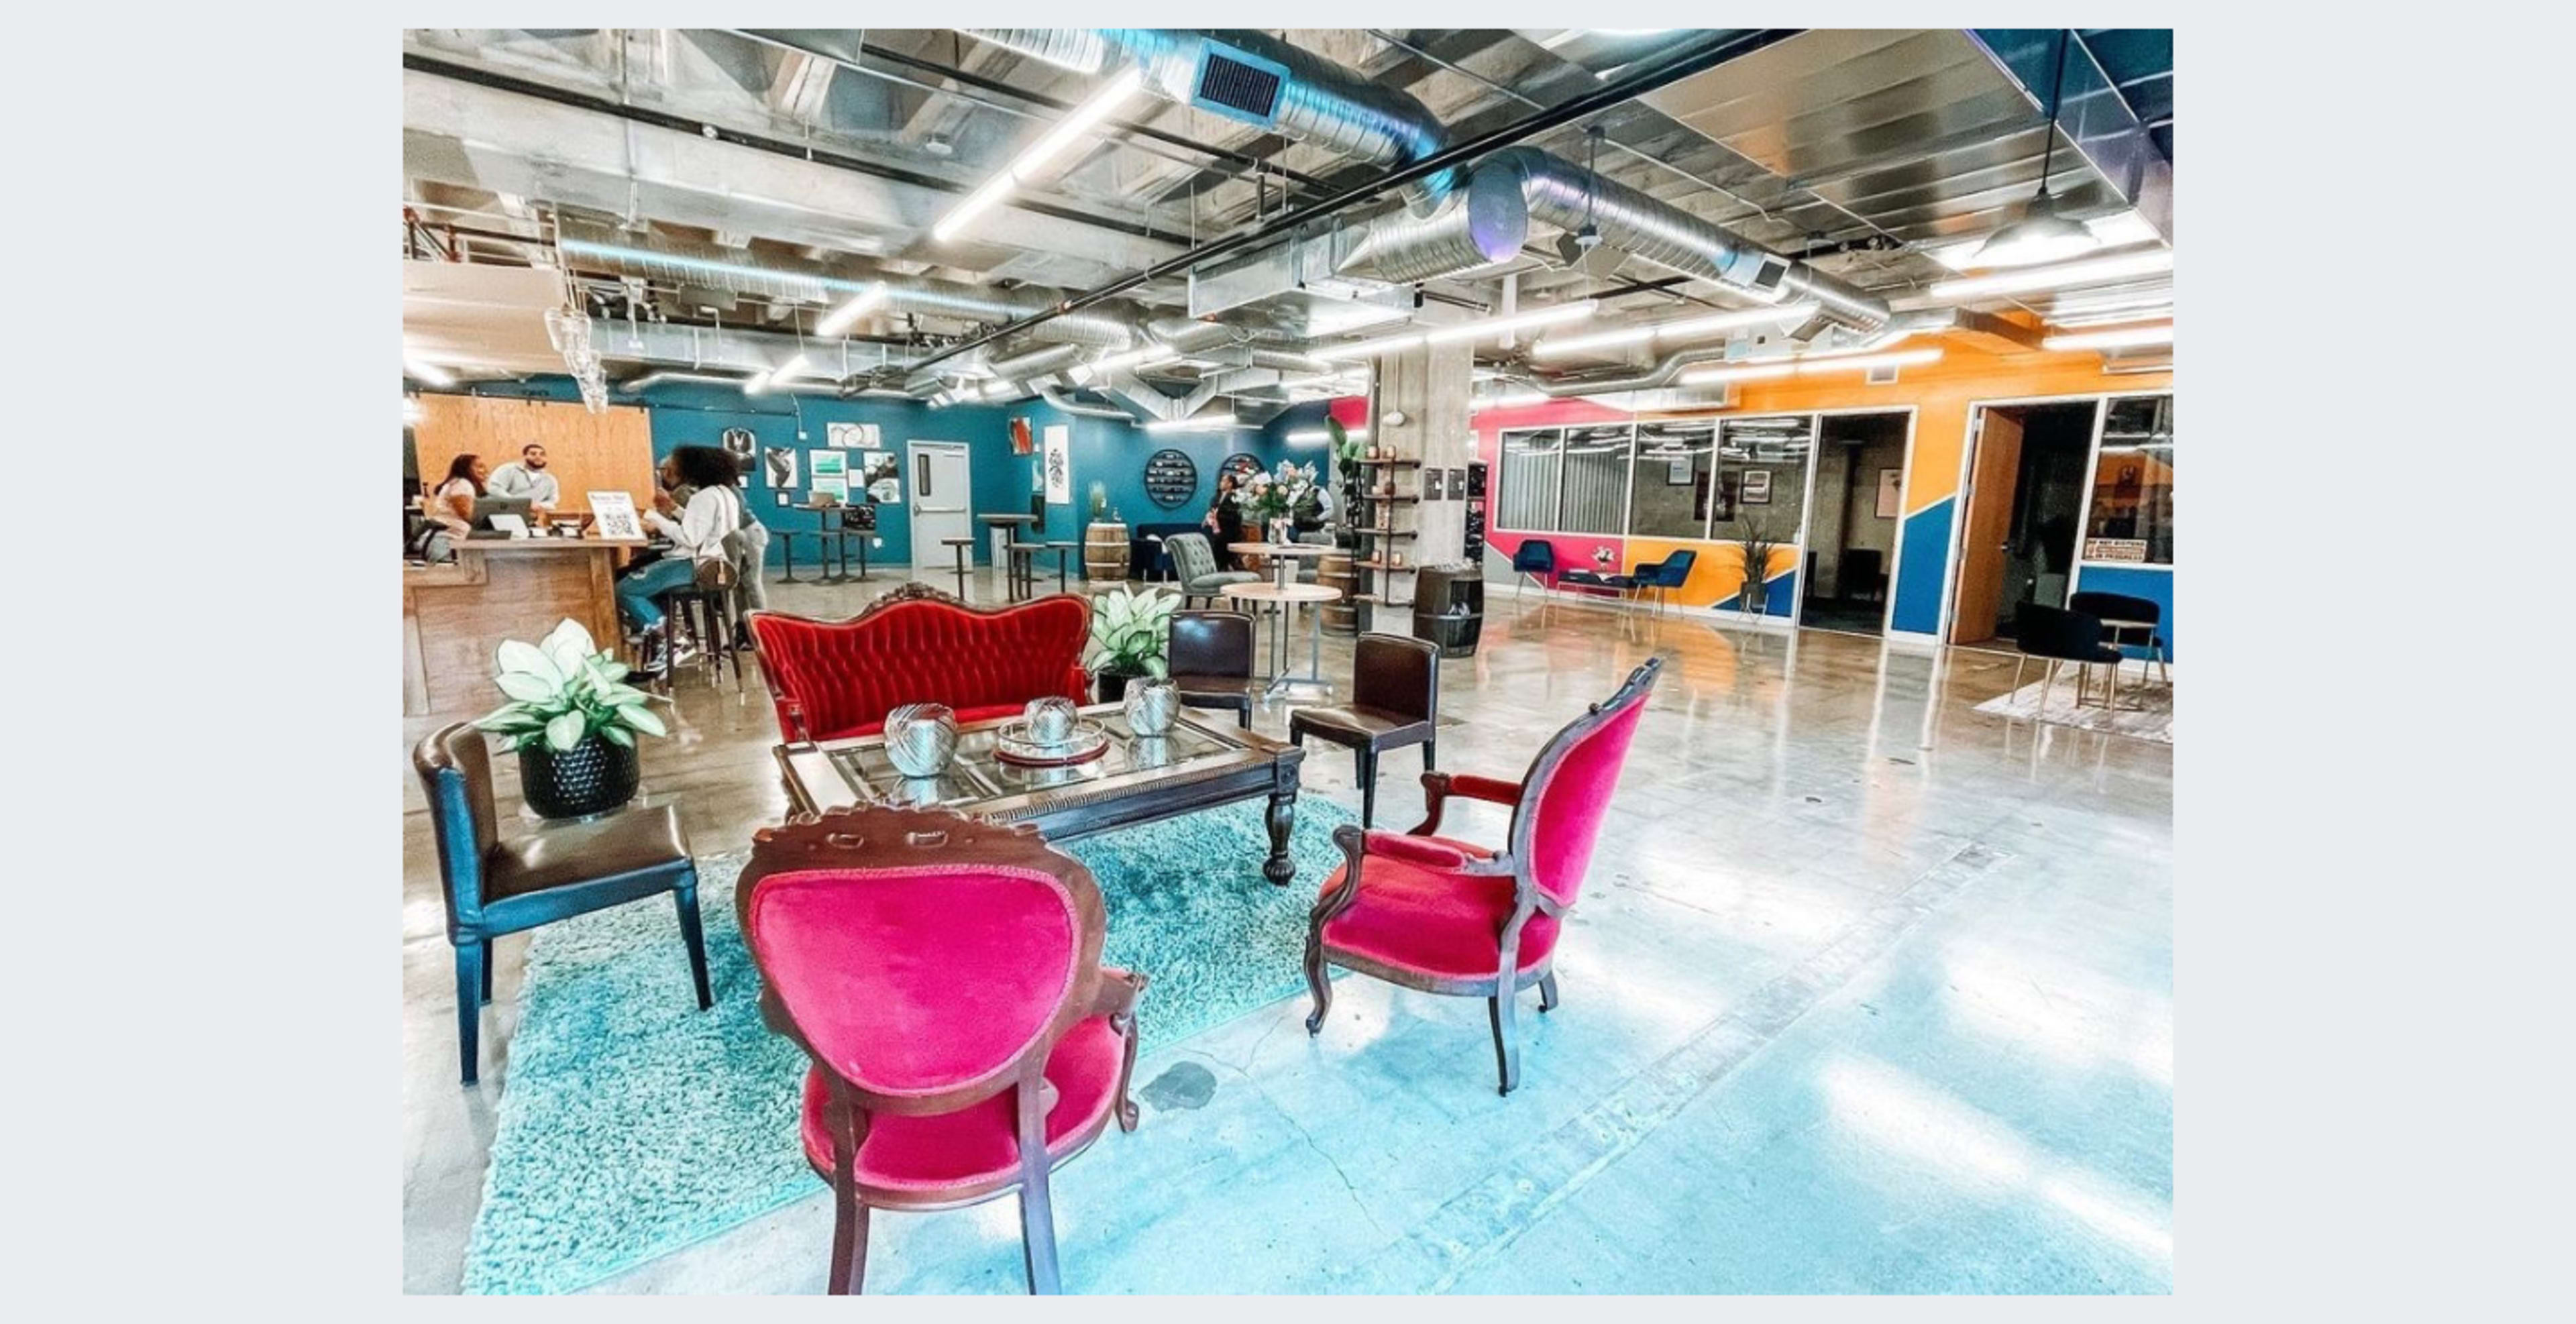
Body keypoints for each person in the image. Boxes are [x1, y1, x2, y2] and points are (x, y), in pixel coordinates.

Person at [617, 447, 744, 672]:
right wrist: (674, 510)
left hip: (691, 565)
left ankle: (671, 639)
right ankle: (655, 631)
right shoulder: (725, 494)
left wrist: (655, 518)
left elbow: (690, 537)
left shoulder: (702, 497)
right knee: (646, 583)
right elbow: (704, 526)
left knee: (626, 589)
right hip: (715, 563)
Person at [410, 453, 485, 562]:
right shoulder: (462, 485)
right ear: (466, 469)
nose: (484, 471)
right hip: (445, 543)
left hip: (448, 541)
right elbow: (467, 515)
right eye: (478, 467)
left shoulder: (457, 484)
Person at [485, 441, 560, 512]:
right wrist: (518, 503)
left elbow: (552, 502)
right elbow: (494, 489)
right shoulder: (509, 469)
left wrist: (537, 506)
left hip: (531, 516)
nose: (538, 457)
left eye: (542, 454)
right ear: (524, 457)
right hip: (503, 512)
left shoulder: (550, 480)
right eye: (533, 454)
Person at [1205, 470, 1246, 569]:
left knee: (1232, 562)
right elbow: (1212, 510)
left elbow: (1235, 516)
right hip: (1217, 536)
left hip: (1230, 535)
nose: (1221, 483)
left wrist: (1217, 516)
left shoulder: (1236, 498)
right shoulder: (1216, 497)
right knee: (1218, 561)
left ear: (1230, 484)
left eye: (1224, 481)